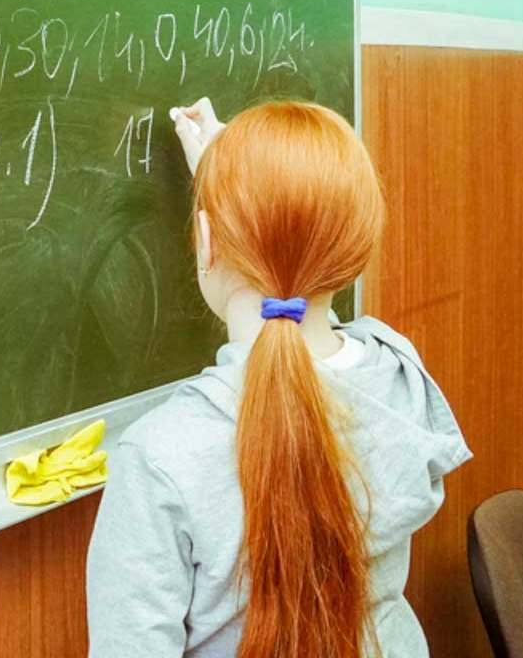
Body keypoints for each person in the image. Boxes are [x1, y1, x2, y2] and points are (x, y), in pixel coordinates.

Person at [86, 99, 471, 657]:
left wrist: (235, 194)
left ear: (205, 242)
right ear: (353, 250)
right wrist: (254, 187)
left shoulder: (161, 454)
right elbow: (307, 330)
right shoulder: (397, 374)